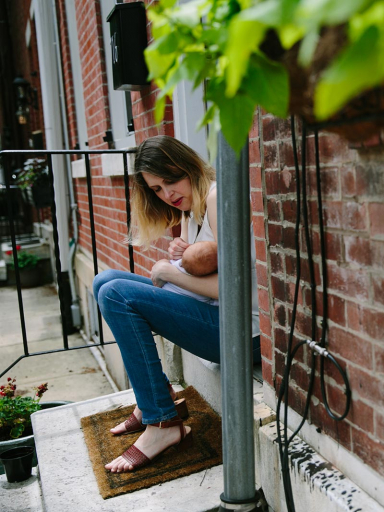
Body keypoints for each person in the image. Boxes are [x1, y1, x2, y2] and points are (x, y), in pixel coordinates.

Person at [92, 136, 260, 473]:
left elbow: (236, 290)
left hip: (242, 333)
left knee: (116, 294)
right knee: (104, 280)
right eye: (156, 189)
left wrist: (173, 273)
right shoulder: (190, 210)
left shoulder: (215, 197)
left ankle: (162, 424)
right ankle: (156, 397)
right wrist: (181, 261)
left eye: (170, 180)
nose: (166, 194)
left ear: (187, 166)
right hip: (214, 318)